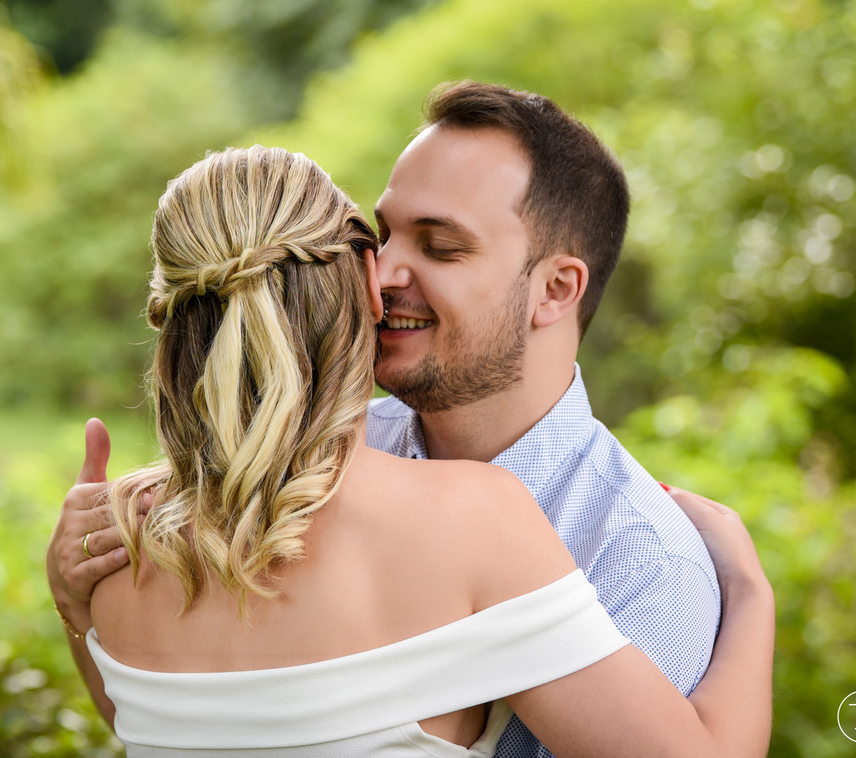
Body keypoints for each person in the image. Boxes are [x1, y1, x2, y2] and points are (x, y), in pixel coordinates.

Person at [47, 82, 766, 754]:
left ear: (555, 289)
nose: (384, 273)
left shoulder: (645, 559)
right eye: (381, 235)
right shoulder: (307, 453)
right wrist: (80, 602)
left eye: (440, 246)